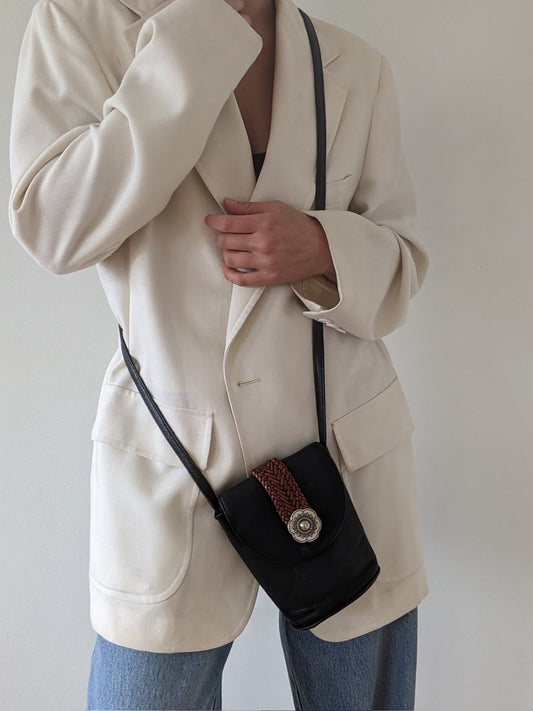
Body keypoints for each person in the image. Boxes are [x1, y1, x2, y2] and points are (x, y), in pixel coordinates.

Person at [9, 0, 429, 708]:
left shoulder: (354, 65)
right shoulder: (80, 23)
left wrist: (325, 247)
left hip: (349, 450)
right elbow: (55, 227)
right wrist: (197, 36)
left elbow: (403, 261)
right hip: (175, 457)